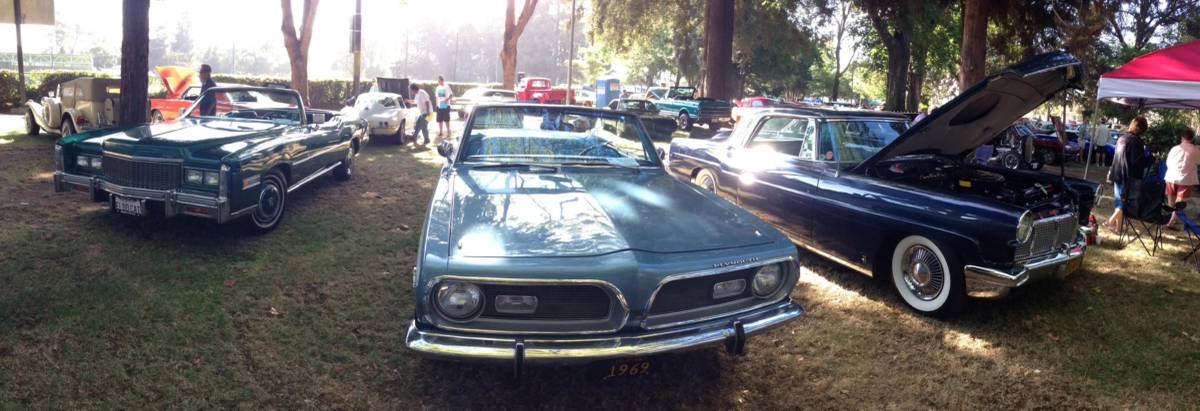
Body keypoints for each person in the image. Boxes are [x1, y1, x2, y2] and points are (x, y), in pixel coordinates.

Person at [1104, 116, 1149, 232]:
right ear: (1141, 129)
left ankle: (1118, 228)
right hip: (1127, 176)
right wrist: (1150, 160)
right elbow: (1136, 162)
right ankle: (1110, 222)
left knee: (1119, 200)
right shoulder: (1137, 141)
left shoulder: (1122, 138)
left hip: (1116, 172)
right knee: (1122, 203)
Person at [1165, 128, 1199, 229]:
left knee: (1171, 200)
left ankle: (1171, 219)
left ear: (1182, 137)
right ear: (1192, 138)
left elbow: (1168, 162)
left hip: (1171, 176)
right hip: (1186, 179)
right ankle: (1172, 220)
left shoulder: (1175, 149)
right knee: (1180, 202)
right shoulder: (1195, 150)